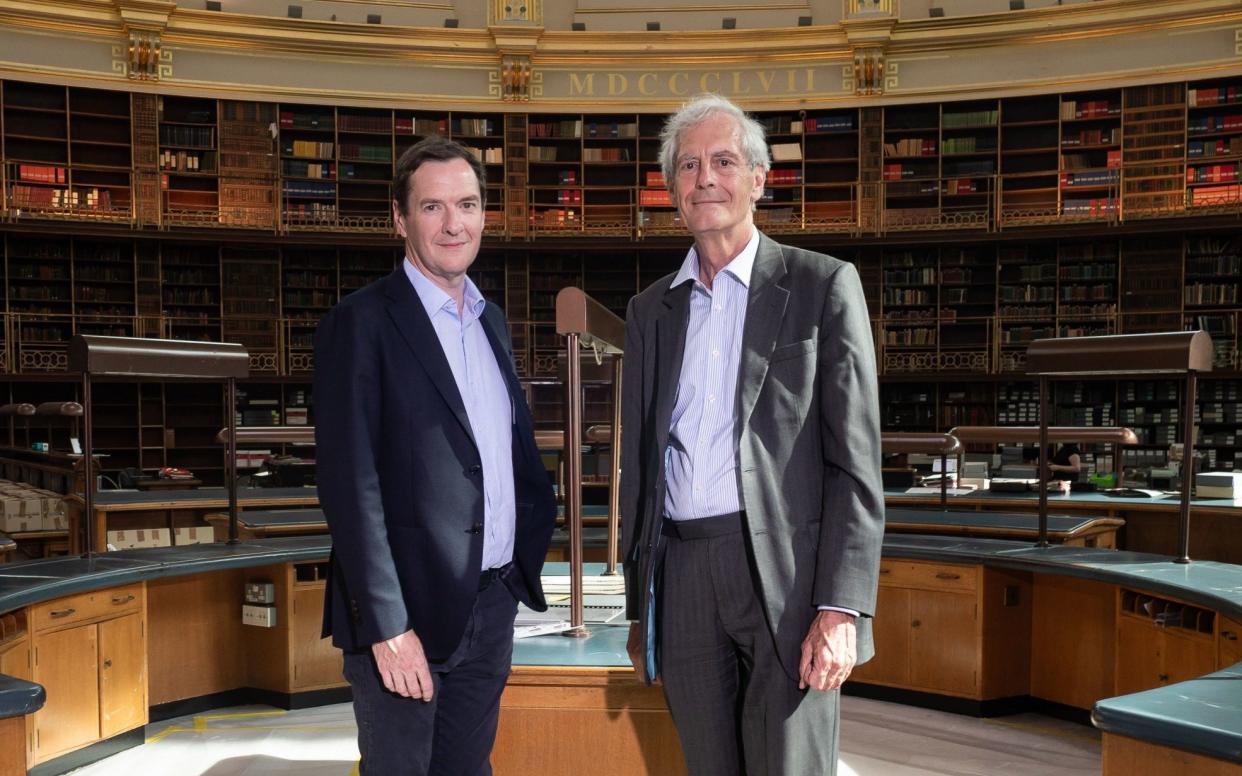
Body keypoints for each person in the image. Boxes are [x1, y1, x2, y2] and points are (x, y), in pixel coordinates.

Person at [619, 93, 885, 776]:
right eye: (688, 165)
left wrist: (841, 607)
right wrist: (638, 601)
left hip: (784, 577)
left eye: (724, 161)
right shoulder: (650, 311)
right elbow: (641, 468)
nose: (705, 177)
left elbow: (854, 462)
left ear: (759, 181)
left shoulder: (822, 286)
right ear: (672, 188)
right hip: (681, 575)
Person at [314, 135, 556, 775]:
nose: (455, 223)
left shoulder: (491, 320)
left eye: (468, 204)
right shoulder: (360, 323)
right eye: (433, 207)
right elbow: (351, 488)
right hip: (407, 615)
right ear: (400, 218)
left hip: (492, 600)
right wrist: (387, 628)